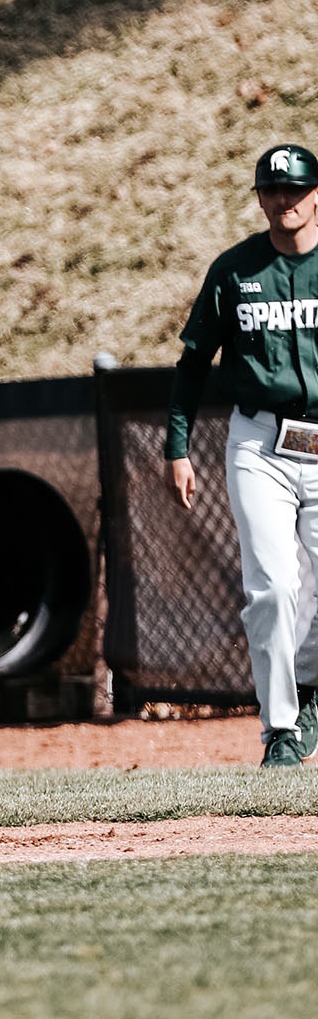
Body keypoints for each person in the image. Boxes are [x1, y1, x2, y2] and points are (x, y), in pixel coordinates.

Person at [167, 143, 318, 768]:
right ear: (259, 198)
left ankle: (305, 685)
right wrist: (177, 447)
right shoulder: (235, 271)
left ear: (317, 195)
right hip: (259, 443)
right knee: (271, 587)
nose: (283, 200)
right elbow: (193, 364)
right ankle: (280, 730)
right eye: (271, 190)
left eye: (295, 189)